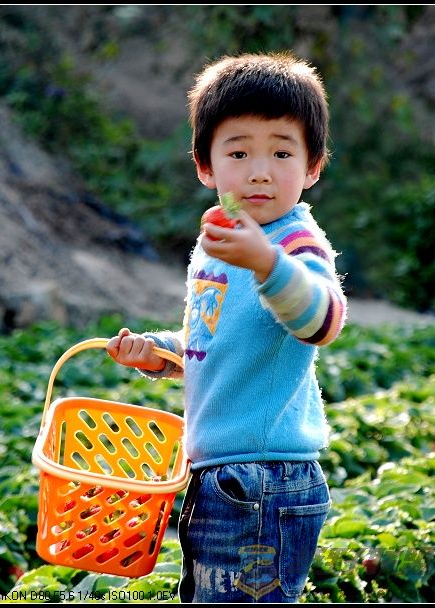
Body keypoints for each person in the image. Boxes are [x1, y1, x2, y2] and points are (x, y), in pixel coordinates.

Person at [107, 52, 347, 603]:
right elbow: (210, 341)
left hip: (265, 479)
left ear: (312, 167)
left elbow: (323, 320)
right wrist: (158, 351)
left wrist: (267, 264)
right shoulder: (217, 245)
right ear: (206, 167)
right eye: (239, 153)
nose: (260, 171)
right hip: (219, 474)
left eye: (281, 153)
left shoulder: (294, 242)